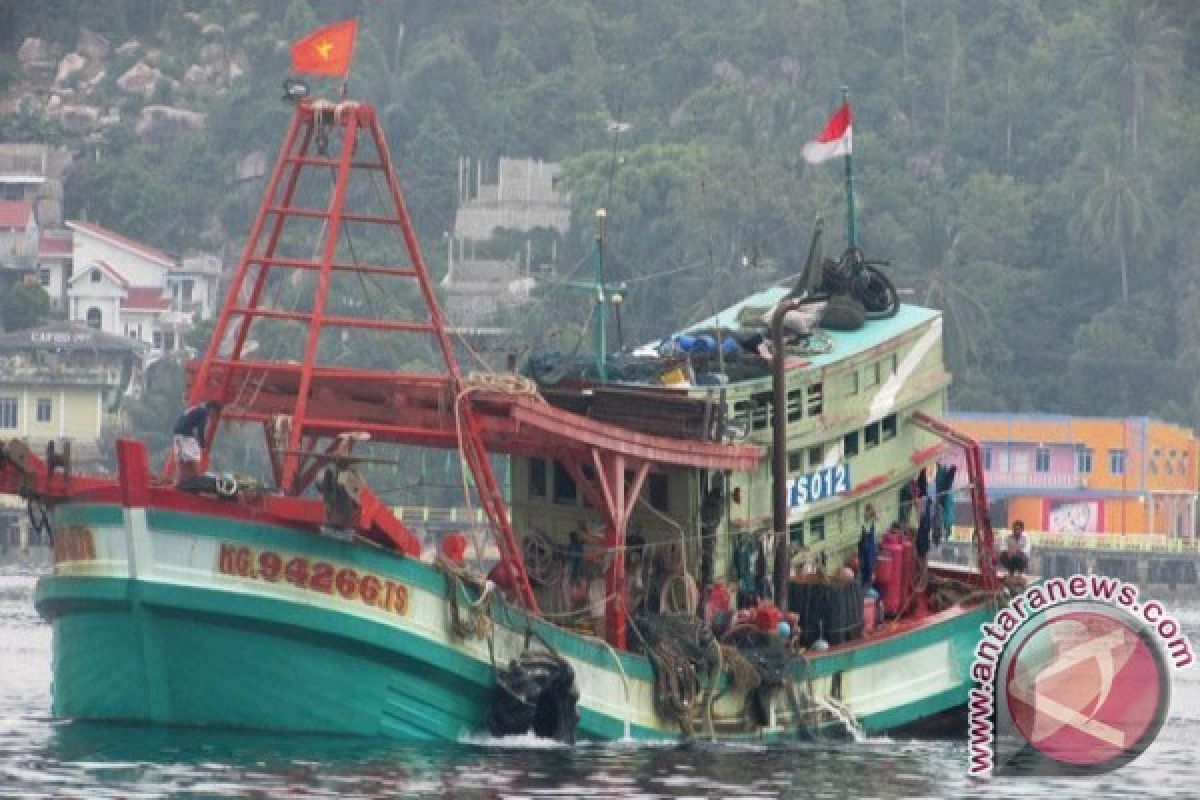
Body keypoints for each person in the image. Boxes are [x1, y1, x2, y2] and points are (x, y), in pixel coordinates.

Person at [173, 400, 220, 483]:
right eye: (214, 413)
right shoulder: (204, 412)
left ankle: (180, 480)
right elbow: (200, 430)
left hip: (178, 433)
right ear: (212, 409)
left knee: (181, 458)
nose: (212, 416)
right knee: (194, 457)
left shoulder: (196, 408)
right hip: (186, 435)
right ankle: (194, 480)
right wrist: (203, 445)